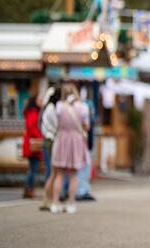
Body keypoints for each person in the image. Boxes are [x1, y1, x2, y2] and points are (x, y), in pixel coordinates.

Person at [50, 84, 90, 214]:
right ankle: (71, 204)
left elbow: (55, 123)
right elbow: (87, 126)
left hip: (62, 139)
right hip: (76, 140)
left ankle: (55, 203)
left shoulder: (59, 106)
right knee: (73, 175)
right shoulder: (83, 107)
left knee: (59, 174)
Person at [39, 87, 59, 211]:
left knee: (51, 172)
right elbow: (57, 125)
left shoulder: (47, 108)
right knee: (52, 172)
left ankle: (48, 199)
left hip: (48, 140)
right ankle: (47, 199)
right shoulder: (51, 109)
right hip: (51, 141)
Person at [22, 95, 42, 199]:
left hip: (30, 142)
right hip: (33, 143)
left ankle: (28, 189)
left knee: (32, 168)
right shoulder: (33, 112)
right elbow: (31, 127)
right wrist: (40, 136)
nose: (41, 101)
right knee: (33, 168)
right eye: (39, 99)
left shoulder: (32, 112)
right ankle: (29, 189)